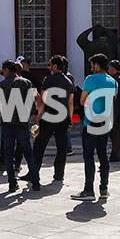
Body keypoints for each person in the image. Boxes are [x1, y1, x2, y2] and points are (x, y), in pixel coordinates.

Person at [71, 53, 117, 201]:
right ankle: (104, 189)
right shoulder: (112, 81)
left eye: (92, 65)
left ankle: (88, 190)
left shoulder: (90, 79)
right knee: (103, 156)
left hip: (90, 122)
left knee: (89, 157)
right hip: (105, 122)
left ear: (96, 65)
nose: (91, 68)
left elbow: (82, 100)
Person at [0, 60, 40, 193]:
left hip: (7, 124)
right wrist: (35, 121)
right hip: (22, 123)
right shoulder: (26, 83)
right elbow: (33, 105)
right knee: (28, 153)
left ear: (6, 69)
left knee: (8, 155)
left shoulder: (2, 85)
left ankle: (12, 183)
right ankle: (35, 182)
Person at [33, 55, 74, 183]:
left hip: (49, 116)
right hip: (63, 118)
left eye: (50, 65)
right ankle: (59, 174)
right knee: (61, 148)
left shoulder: (48, 80)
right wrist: (70, 119)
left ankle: (34, 172)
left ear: (55, 66)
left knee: (39, 146)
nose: (48, 67)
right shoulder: (69, 81)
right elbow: (71, 103)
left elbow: (42, 99)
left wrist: (38, 115)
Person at [62, 57, 77, 156]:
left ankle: (68, 147)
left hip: (65, 105)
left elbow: (72, 92)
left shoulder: (68, 77)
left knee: (65, 128)